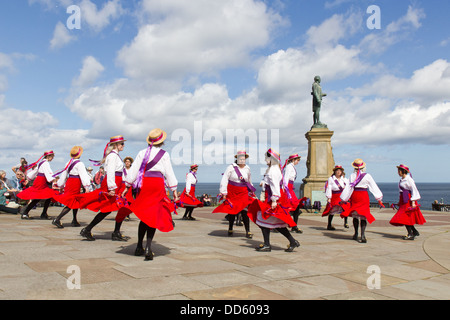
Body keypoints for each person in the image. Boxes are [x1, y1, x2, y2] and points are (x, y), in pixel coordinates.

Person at [119, 128, 178, 261]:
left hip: (144, 184)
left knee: (145, 216)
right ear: (161, 142)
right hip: (157, 184)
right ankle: (148, 247)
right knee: (153, 215)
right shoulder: (164, 154)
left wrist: (126, 187)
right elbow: (169, 172)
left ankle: (139, 245)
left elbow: (133, 172)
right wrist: (174, 190)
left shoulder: (141, 153)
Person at [78, 135, 134, 241]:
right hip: (113, 184)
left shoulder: (116, 156)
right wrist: (112, 188)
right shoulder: (112, 156)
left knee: (122, 207)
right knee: (107, 209)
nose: (123, 145)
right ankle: (88, 229)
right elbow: (111, 172)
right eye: (122, 143)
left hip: (118, 184)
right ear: (116, 145)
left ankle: (115, 232)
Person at [248, 148, 300, 252]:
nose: (265, 159)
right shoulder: (274, 168)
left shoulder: (273, 170)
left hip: (272, 199)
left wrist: (274, 200)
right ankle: (292, 241)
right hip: (271, 198)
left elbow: (275, 185)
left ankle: (268, 244)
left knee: (264, 220)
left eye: (266, 157)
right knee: (276, 223)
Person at [213, 150, 256, 238]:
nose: (242, 160)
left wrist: (251, 190)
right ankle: (230, 228)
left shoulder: (247, 168)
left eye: (244, 158)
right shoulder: (231, 167)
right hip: (232, 191)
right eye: (240, 158)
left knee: (245, 210)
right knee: (233, 210)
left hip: (243, 192)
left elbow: (249, 180)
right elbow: (225, 179)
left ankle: (248, 231)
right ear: (237, 158)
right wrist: (223, 192)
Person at [340, 159, 384, 243]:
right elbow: (373, 187)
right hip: (363, 196)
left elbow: (348, 188)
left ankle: (356, 233)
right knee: (363, 216)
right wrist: (379, 198)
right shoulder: (367, 176)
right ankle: (363, 235)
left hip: (355, 196)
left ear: (355, 167)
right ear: (363, 167)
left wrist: (343, 199)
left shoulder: (352, 176)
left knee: (355, 215)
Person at [52, 146, 93, 228]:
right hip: (75, 183)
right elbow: (83, 175)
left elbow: (63, 175)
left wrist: (61, 185)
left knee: (75, 202)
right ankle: (57, 219)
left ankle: (74, 220)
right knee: (71, 203)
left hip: (69, 182)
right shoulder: (80, 164)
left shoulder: (68, 162)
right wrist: (87, 187)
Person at [17, 151, 59, 220]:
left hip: (40, 181)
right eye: (52, 157)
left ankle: (43, 213)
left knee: (47, 196)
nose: (52, 158)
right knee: (38, 198)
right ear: (49, 156)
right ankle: (26, 213)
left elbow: (36, 171)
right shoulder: (46, 163)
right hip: (41, 181)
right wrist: (53, 179)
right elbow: (48, 173)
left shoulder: (42, 162)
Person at [389, 164, 426, 240]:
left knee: (405, 217)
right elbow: (401, 192)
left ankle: (410, 233)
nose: (398, 172)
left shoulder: (409, 179)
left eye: (399, 171)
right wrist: (399, 201)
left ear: (403, 171)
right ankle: (414, 231)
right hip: (403, 200)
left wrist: (413, 202)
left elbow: (414, 190)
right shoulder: (402, 179)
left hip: (408, 200)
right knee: (406, 217)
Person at [322, 165, 350, 230]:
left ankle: (346, 222)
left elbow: (348, 188)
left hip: (342, 196)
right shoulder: (331, 179)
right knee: (332, 210)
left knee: (345, 208)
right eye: (337, 170)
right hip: (335, 196)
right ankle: (329, 225)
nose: (338, 172)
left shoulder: (344, 179)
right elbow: (329, 188)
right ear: (334, 171)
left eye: (340, 171)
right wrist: (329, 198)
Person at [282, 153, 303, 233]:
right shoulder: (289, 167)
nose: (298, 162)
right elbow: (286, 178)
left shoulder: (292, 167)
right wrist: (286, 191)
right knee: (290, 207)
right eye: (297, 160)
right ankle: (292, 225)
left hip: (290, 188)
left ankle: (294, 225)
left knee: (295, 206)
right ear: (293, 160)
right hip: (288, 188)